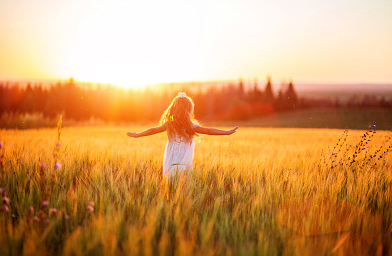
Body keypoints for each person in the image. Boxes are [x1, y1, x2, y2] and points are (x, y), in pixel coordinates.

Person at [127, 92, 239, 178]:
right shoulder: (192, 125)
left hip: (170, 158)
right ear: (189, 110)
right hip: (184, 159)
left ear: (174, 108)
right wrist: (227, 132)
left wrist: (138, 135)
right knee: (182, 180)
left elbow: (153, 130)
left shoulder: (170, 124)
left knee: (170, 179)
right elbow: (209, 131)